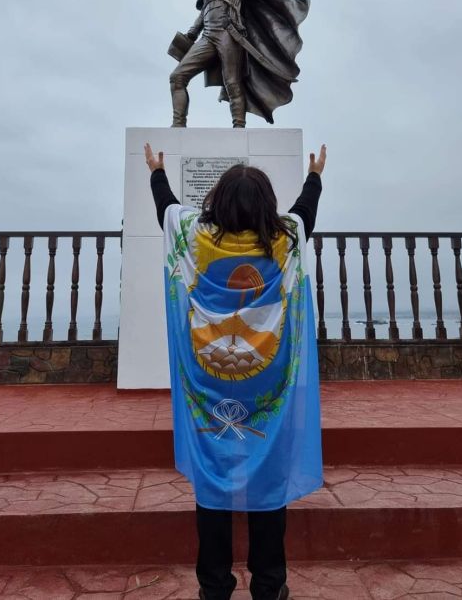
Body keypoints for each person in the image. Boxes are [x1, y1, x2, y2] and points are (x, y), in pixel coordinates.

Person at [145, 143, 326, 600]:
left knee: (212, 475)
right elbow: (306, 211)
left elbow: (165, 208)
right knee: (269, 475)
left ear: (218, 202)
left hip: (209, 383)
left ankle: (214, 586)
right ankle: (269, 585)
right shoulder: (286, 239)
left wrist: (157, 172)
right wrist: (315, 176)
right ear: (267, 204)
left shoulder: (193, 237)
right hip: (269, 384)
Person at [169, 0, 335, 128]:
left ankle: (239, 128)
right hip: (208, 36)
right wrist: (192, 33)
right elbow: (207, 9)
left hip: (229, 34)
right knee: (177, 77)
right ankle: (178, 127)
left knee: (233, 83)